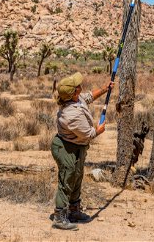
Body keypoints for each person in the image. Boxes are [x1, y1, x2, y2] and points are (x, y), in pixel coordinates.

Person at [51, 72, 114, 231]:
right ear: (73, 93)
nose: (81, 86)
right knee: (67, 179)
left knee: (77, 176)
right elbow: (88, 134)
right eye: (77, 86)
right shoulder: (71, 115)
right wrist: (98, 130)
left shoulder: (76, 99)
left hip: (77, 146)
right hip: (66, 148)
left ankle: (74, 211)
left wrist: (105, 89)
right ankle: (59, 217)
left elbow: (88, 97)